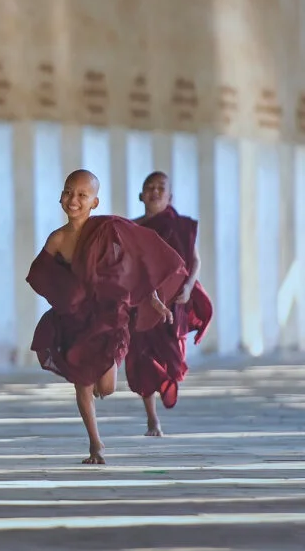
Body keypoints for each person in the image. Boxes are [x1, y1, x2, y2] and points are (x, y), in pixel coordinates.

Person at [27, 169, 188, 464]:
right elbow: (39, 274)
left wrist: (154, 301)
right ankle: (95, 444)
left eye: (81, 195)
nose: (73, 200)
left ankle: (103, 386)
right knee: (82, 383)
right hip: (74, 319)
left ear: (95, 203)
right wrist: (64, 294)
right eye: (68, 192)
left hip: (108, 317)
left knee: (107, 388)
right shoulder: (58, 239)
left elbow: (135, 268)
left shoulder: (109, 230)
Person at [126, 171, 213, 435]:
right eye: (149, 187)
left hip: (175, 301)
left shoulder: (181, 226)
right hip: (143, 302)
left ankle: (168, 381)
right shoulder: (133, 228)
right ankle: (152, 418)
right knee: (142, 357)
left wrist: (187, 289)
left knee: (173, 360)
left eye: (160, 187)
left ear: (170, 196)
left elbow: (194, 261)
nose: (154, 191)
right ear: (140, 195)